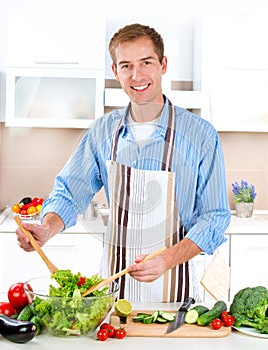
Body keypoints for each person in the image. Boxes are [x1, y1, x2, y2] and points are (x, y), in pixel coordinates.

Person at [15, 23, 231, 303]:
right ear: (116, 72)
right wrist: (47, 228)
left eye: (146, 63)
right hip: (113, 290)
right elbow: (69, 193)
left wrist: (167, 258)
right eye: (126, 65)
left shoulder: (201, 135)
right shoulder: (102, 132)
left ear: (163, 65)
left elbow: (215, 216)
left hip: (178, 287)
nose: (137, 75)